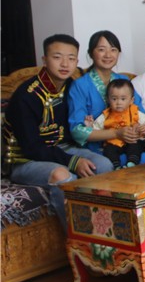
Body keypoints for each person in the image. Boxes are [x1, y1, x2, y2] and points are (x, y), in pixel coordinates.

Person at [3, 34, 113, 229]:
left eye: (71, 58)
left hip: (63, 148)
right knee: (61, 175)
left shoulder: (71, 86)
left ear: (77, 62)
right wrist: (73, 162)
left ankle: (104, 232)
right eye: (57, 57)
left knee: (104, 164)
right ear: (44, 60)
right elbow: (31, 148)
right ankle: (78, 239)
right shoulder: (26, 96)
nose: (64, 64)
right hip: (25, 160)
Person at [68, 31, 145, 153]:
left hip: (131, 145)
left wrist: (143, 128)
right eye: (101, 50)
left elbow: (142, 114)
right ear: (91, 53)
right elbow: (77, 131)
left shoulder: (124, 80)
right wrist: (115, 133)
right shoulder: (80, 85)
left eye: (113, 50)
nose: (108, 55)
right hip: (98, 149)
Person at [90, 79, 145, 168]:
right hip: (114, 143)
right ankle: (116, 166)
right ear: (108, 100)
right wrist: (89, 125)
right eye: (114, 99)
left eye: (123, 99)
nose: (118, 103)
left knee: (137, 145)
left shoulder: (135, 112)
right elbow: (95, 129)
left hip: (133, 140)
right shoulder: (106, 115)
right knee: (108, 149)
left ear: (131, 100)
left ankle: (132, 162)